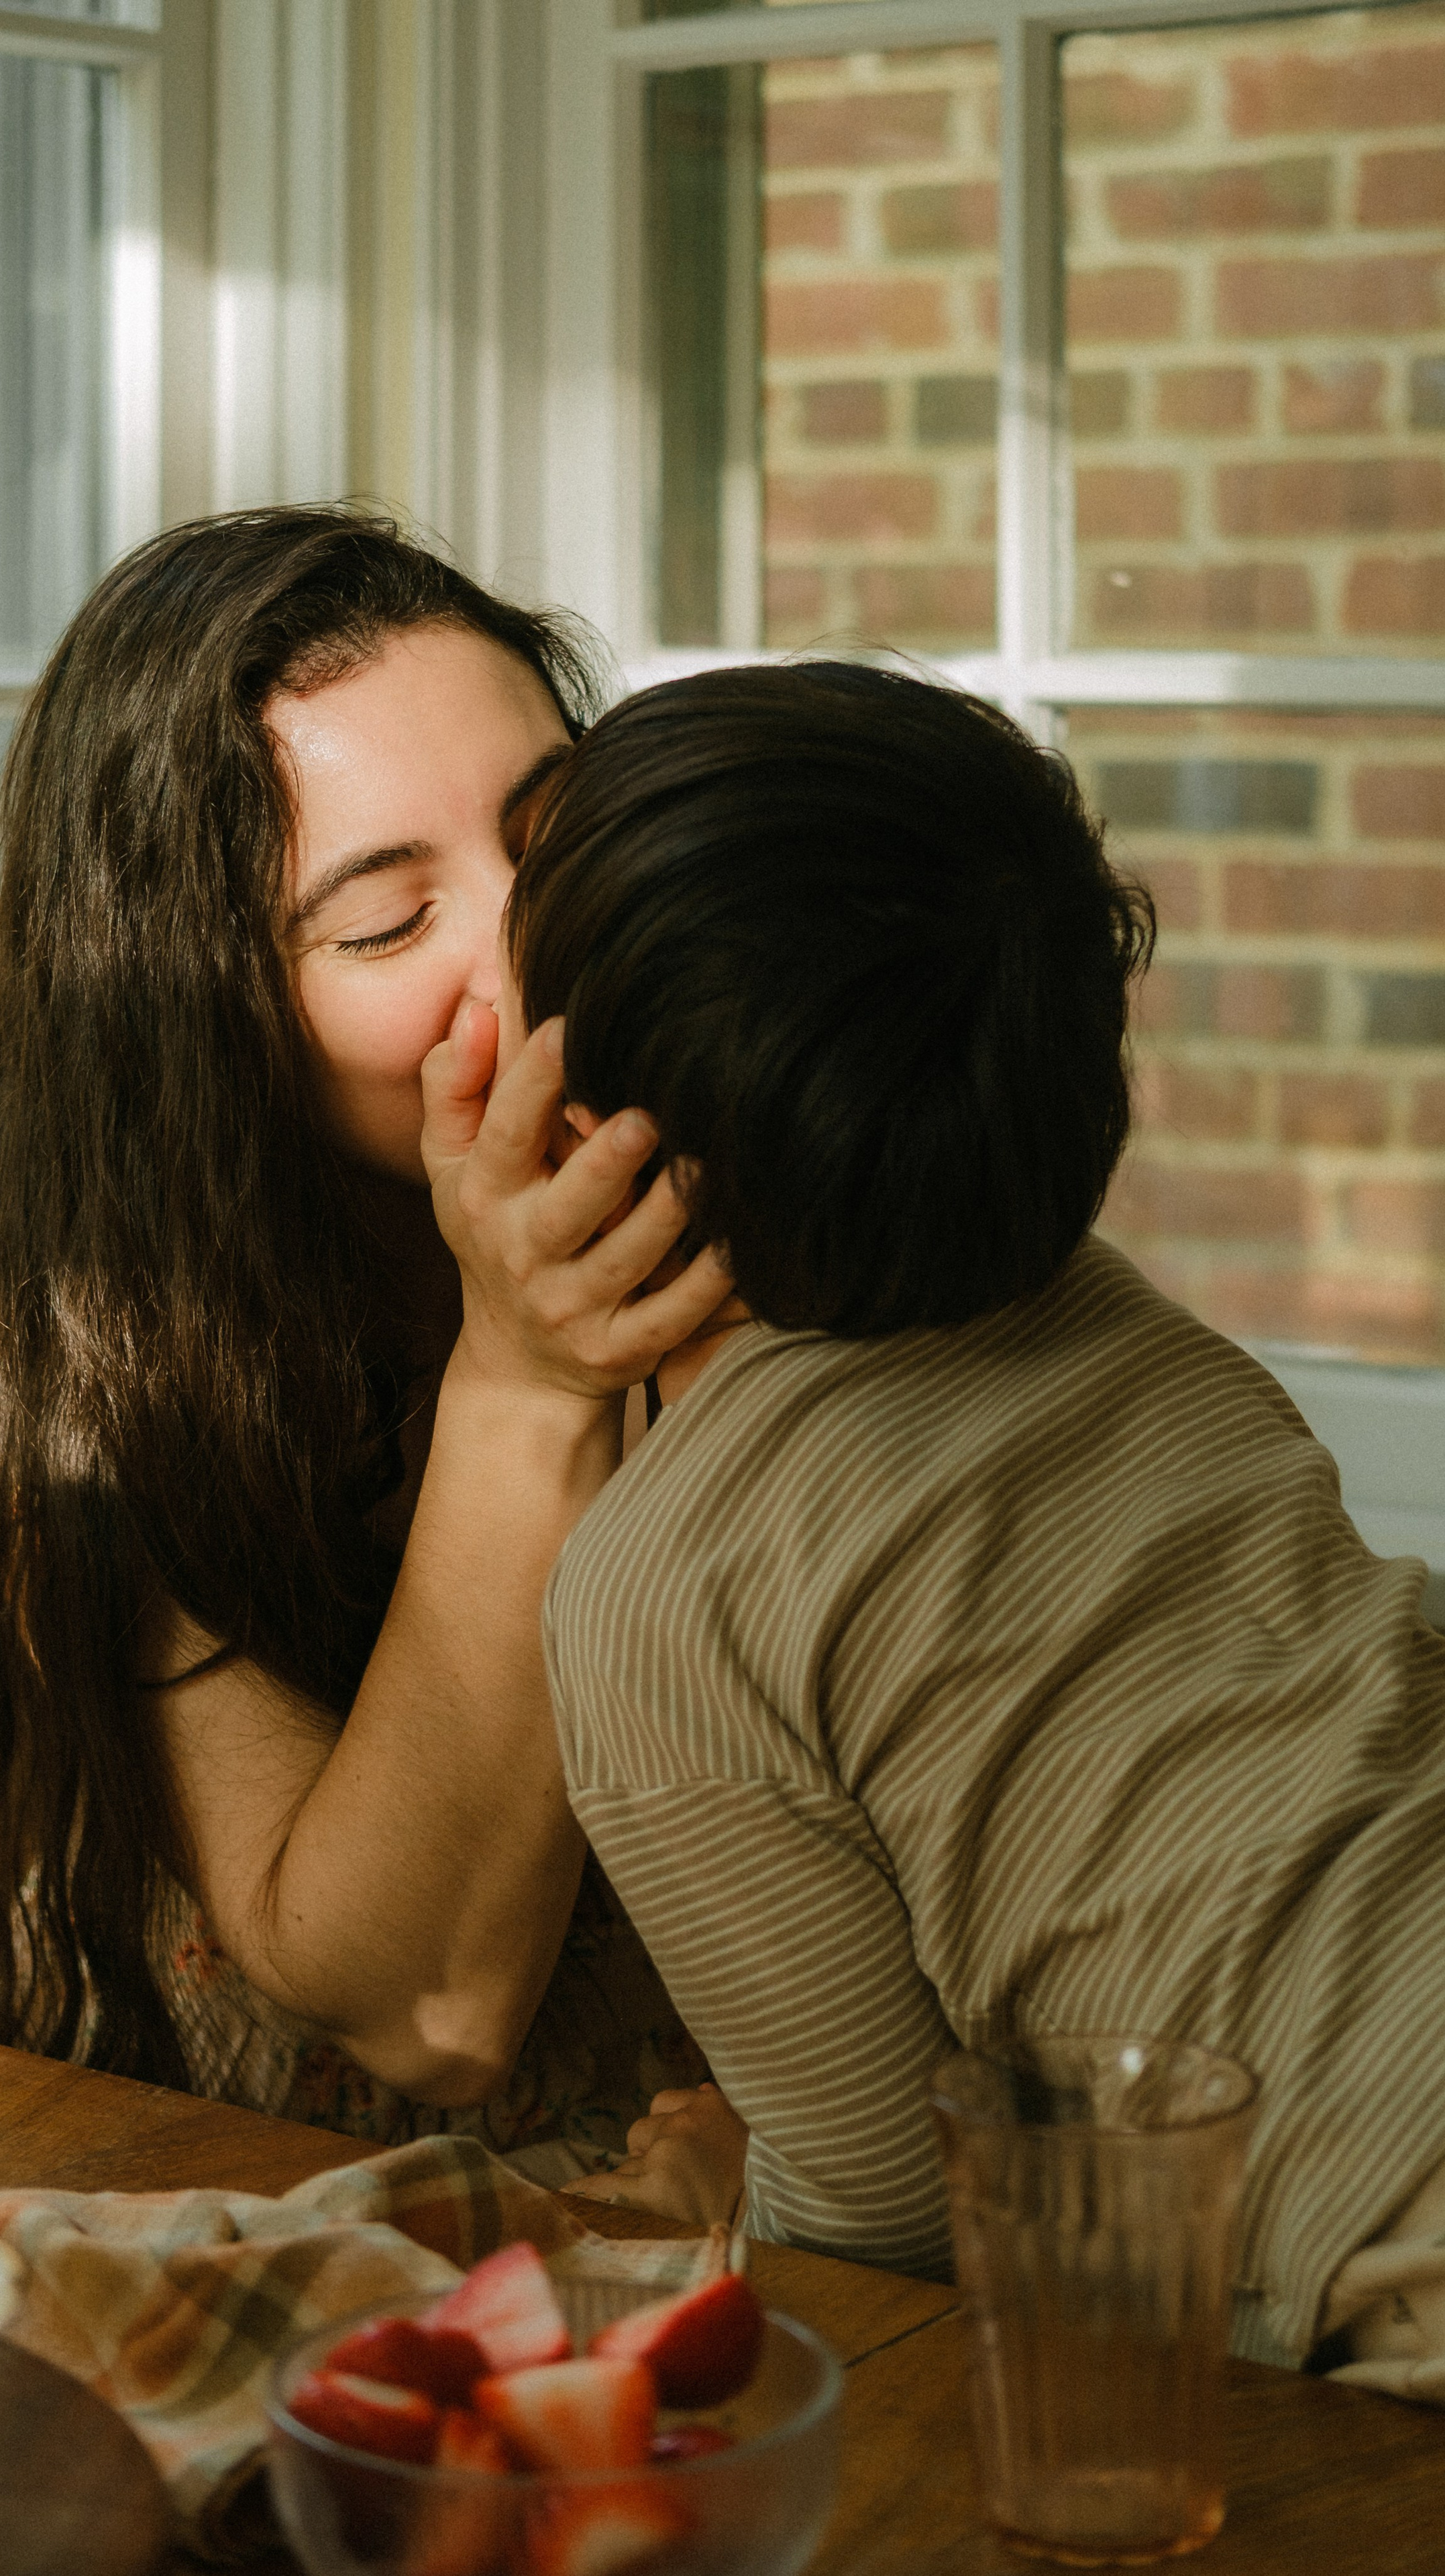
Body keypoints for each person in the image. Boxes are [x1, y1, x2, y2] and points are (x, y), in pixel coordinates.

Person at [511, 659, 1445, 2374]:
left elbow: (884, 2218)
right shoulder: (1145, 1342)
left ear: (593, 1140)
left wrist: (734, 2179)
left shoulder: (665, 1586)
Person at [0, 508, 729, 2186]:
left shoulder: (706, 1212)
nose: (530, 944)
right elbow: (423, 2006)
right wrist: (529, 1382)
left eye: (555, 833)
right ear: (194, 1010)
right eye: (380, 923)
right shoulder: (81, 1381)